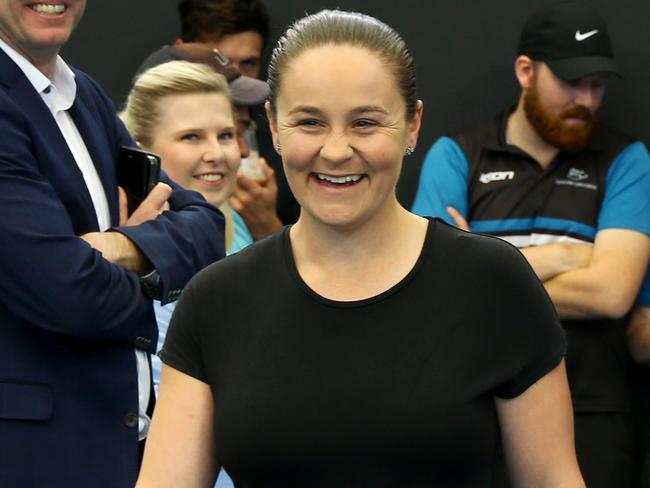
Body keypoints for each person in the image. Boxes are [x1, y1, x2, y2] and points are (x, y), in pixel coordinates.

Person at [137, 10, 584, 487]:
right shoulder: (215, 300)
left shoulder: (492, 283)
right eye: (309, 122)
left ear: (413, 125)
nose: (335, 150)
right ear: (272, 125)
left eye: (366, 123)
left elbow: (553, 478)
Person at [411, 1, 650, 486]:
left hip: (591, 409)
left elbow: (610, 293)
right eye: (570, 81)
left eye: (597, 84)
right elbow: (432, 285)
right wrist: (558, 257)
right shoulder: (458, 153)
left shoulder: (626, 159)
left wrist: (482, 256)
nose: (587, 98)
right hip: (472, 403)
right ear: (525, 70)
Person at [0, 2, 225, 487]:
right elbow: (68, 293)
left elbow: (207, 226)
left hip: (122, 452)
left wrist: (119, 247)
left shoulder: (85, 97)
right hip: (36, 460)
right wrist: (153, 270)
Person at [122, 59, 251, 488]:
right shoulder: (126, 257)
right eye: (191, 136)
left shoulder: (246, 232)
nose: (216, 153)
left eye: (226, 135)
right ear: (142, 150)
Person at [176, 0, 301, 237]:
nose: (233, 76)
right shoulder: (149, 147)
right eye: (218, 61)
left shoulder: (286, 148)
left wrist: (266, 224)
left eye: (248, 63)